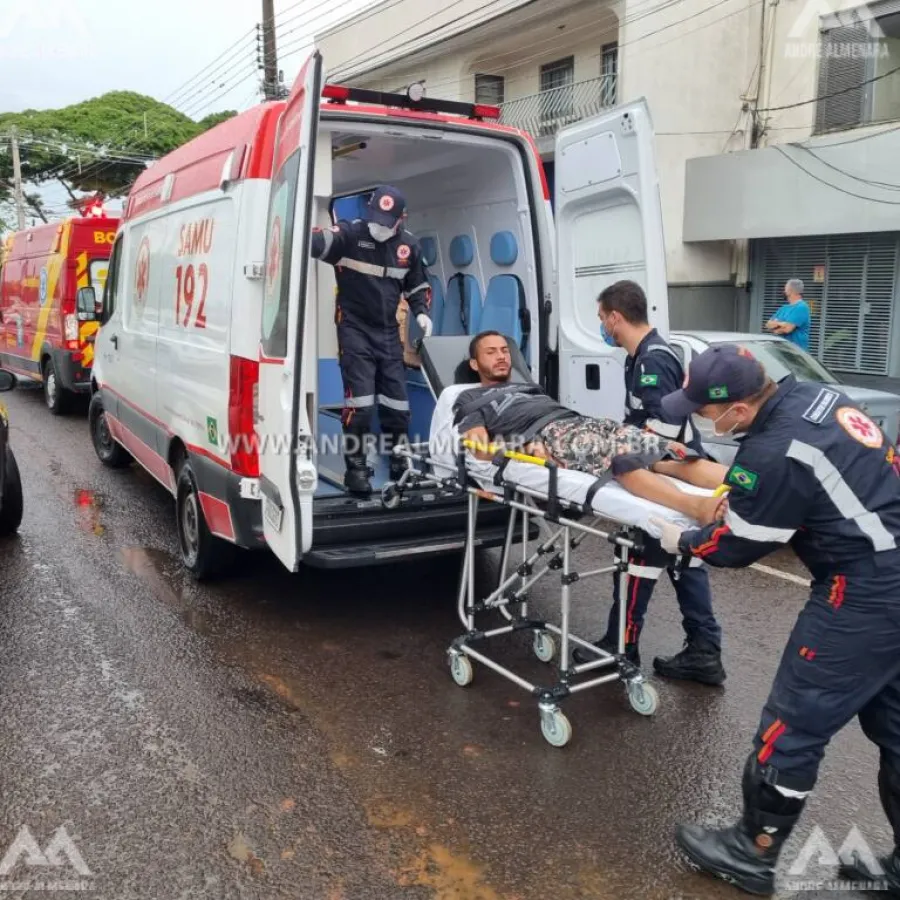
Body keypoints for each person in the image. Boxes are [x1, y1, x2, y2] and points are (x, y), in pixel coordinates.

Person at [648, 343, 900, 897]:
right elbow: (788, 481)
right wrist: (680, 465)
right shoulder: (815, 399)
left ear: (737, 406)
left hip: (865, 591)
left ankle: (751, 852)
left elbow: (737, 544)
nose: (701, 418)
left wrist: (681, 540)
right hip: (891, 571)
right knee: (894, 725)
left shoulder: (775, 449)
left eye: (704, 409)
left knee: (793, 722)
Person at [570, 281, 725, 686]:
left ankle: (621, 646)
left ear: (616, 317)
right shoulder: (640, 357)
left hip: (666, 472)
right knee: (683, 561)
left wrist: (615, 455)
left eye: (603, 318)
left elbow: (661, 433)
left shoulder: (653, 360)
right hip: (671, 468)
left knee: (642, 555)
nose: (603, 326)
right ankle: (704, 651)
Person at [454, 331, 728, 526]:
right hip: (550, 435)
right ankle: (697, 507)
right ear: (475, 364)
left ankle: (755, 485)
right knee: (623, 462)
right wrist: (522, 447)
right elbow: (478, 448)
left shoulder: (528, 387)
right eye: (491, 353)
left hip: (585, 423)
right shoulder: (469, 398)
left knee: (668, 453)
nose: (501, 357)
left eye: (504, 350)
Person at [311, 186, 433, 495]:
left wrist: (421, 312)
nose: (378, 225)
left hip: (388, 331)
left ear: (400, 219)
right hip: (354, 328)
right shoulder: (351, 234)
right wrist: (302, 232)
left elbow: (418, 287)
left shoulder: (409, 247)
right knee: (361, 405)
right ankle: (357, 468)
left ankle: (398, 459)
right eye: (375, 217)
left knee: (398, 405)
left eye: (386, 220)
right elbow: (322, 241)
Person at [764, 278, 810, 351]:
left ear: (790, 291)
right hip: (782, 352)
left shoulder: (801, 307)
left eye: (785, 289)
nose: (784, 291)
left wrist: (776, 327)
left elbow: (787, 329)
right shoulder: (784, 308)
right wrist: (782, 323)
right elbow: (768, 325)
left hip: (796, 353)